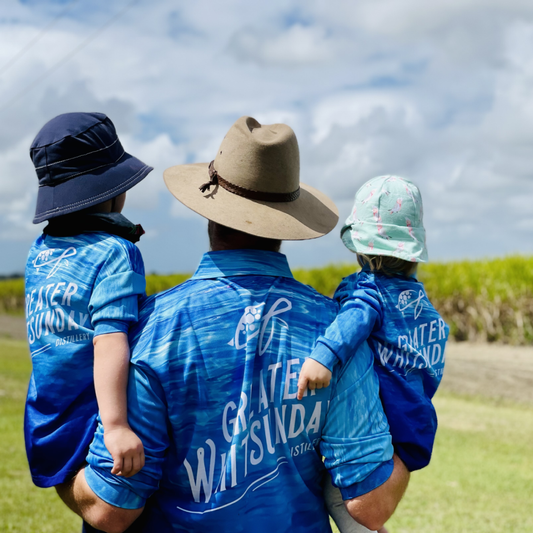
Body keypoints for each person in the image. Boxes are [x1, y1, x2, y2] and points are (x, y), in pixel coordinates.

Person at [57, 117, 410, 533]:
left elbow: (110, 511)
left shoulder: (150, 329)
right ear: (287, 222)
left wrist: (58, 475)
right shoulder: (337, 331)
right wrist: (415, 433)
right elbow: (370, 505)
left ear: (211, 214)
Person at [297, 175, 449, 532]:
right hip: (416, 427)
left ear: (361, 249)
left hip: (382, 425)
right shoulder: (422, 304)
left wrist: (323, 355)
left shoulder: (368, 291)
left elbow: (354, 319)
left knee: (338, 494)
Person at [24, 112, 152, 493]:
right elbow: (109, 339)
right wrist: (115, 426)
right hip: (92, 418)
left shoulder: (39, 251)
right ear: (113, 189)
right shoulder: (115, 252)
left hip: (45, 420)